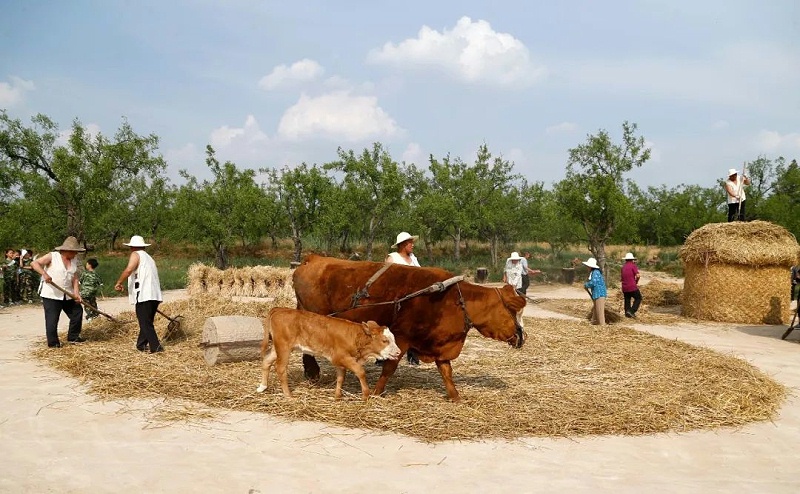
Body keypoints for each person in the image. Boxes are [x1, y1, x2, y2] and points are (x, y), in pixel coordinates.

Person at [31, 236, 86, 348]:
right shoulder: (52, 256)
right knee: (52, 319)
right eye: (74, 252)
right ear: (67, 250)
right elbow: (34, 264)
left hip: (68, 294)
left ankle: (73, 337)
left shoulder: (74, 260)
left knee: (77, 312)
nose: (75, 254)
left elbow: (75, 278)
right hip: (51, 294)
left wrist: (76, 293)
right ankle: (53, 343)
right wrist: (44, 274)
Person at [114, 235, 164, 353]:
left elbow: (129, 269)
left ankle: (156, 347)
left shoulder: (135, 255)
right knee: (147, 321)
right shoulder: (149, 258)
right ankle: (141, 344)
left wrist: (119, 282)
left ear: (132, 247)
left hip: (144, 294)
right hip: (154, 294)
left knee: (145, 322)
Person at [384, 231, 421, 365]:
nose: (412, 245)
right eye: (410, 243)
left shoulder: (414, 259)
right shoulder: (392, 258)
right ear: (403, 245)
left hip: (414, 297)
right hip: (397, 297)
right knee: (391, 326)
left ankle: (412, 353)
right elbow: (386, 279)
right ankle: (383, 356)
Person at [583, 257, 607, 325]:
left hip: (599, 294)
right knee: (596, 310)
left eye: (588, 266)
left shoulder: (596, 272)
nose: (587, 267)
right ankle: (594, 322)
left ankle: (602, 326)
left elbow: (593, 282)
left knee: (599, 312)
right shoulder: (593, 272)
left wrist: (586, 285)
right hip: (596, 294)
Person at [621, 252, 642, 318]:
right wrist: (636, 281)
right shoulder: (633, 266)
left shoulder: (623, 267)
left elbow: (621, 277)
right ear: (632, 259)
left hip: (624, 286)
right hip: (632, 286)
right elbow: (638, 275)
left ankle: (627, 313)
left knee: (627, 299)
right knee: (638, 298)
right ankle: (632, 311)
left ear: (626, 259)